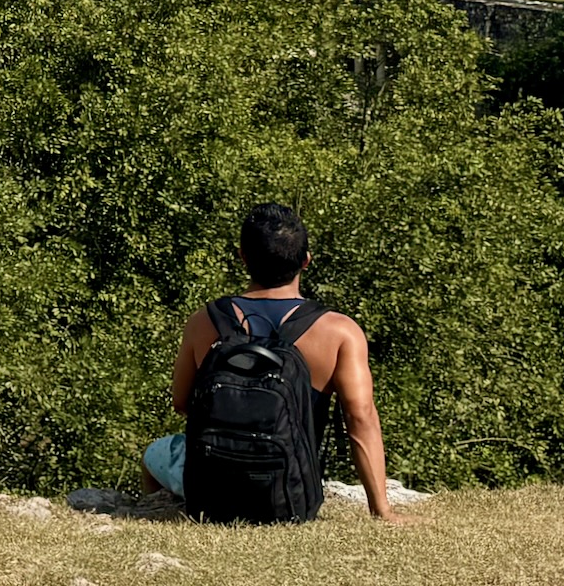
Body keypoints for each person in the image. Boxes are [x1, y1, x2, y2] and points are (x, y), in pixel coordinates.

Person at [144, 204, 406, 525]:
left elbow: (182, 402)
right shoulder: (339, 331)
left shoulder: (203, 321)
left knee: (153, 454)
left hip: (213, 494)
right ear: (305, 260)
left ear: (243, 257)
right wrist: (383, 510)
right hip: (291, 494)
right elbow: (360, 419)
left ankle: (158, 506)